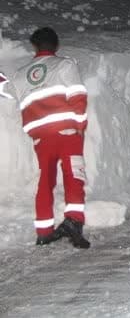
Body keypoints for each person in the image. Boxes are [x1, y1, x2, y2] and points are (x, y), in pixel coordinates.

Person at [0, 27, 91, 248]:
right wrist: (79, 125)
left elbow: (5, 88)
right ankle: (74, 222)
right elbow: (78, 96)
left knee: (46, 181)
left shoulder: (21, 74)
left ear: (35, 46)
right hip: (67, 132)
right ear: (56, 46)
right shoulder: (64, 64)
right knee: (73, 176)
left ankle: (44, 231)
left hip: (41, 137)